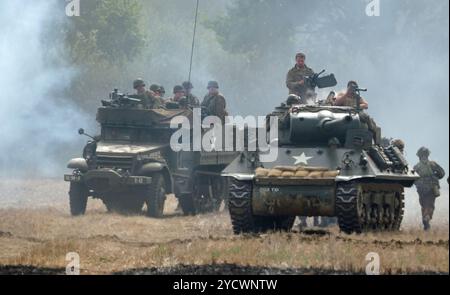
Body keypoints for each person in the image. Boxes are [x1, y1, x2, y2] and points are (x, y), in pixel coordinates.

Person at [414, 147, 446, 231]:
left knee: (424, 205)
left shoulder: (416, 166)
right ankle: (427, 218)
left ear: (419, 156)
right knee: (430, 205)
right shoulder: (433, 164)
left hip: (421, 190)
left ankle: (425, 222)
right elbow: (442, 173)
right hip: (432, 188)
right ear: (428, 155)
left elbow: (413, 178)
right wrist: (435, 176)